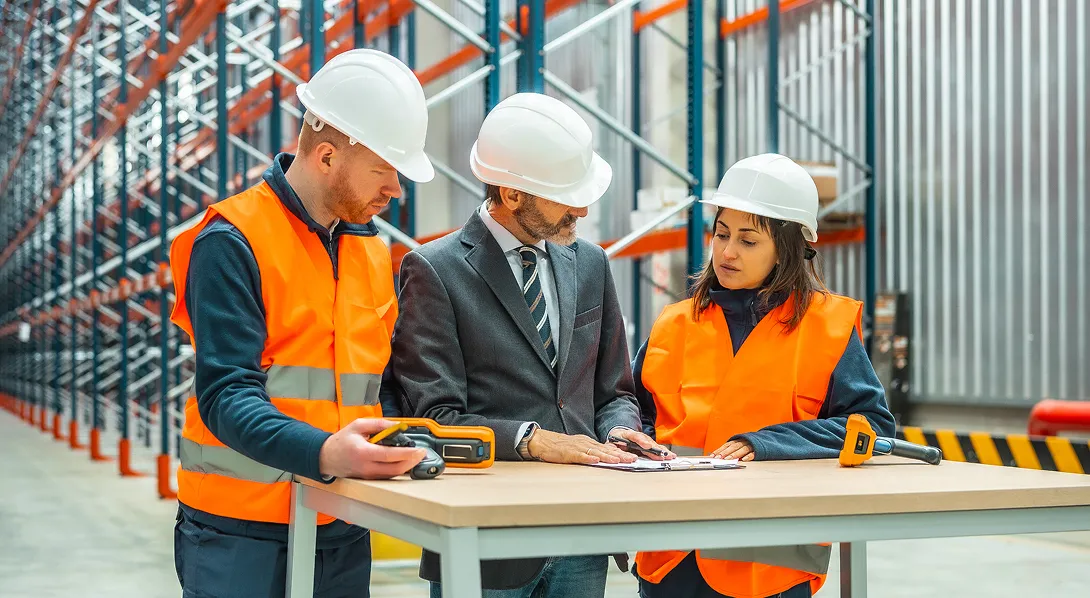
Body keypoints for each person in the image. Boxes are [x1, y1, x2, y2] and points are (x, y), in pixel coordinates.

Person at [167, 49, 434, 598]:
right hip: (242, 531)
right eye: (384, 171)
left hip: (341, 521)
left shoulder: (367, 252)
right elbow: (225, 394)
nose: (396, 190)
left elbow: (375, 385)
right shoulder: (232, 240)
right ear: (329, 156)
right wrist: (324, 452)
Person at [387, 92, 673, 598]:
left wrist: (623, 433)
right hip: (485, 539)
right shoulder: (435, 271)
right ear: (513, 194)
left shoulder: (590, 264)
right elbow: (436, 418)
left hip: (583, 535)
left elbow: (612, 392)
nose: (582, 208)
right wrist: (534, 439)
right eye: (567, 195)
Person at [632, 153, 897, 598]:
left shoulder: (825, 327)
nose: (727, 251)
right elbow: (634, 416)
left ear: (787, 250)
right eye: (721, 234)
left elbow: (871, 427)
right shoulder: (674, 324)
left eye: (748, 241)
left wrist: (766, 443)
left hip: (769, 566)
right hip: (673, 560)